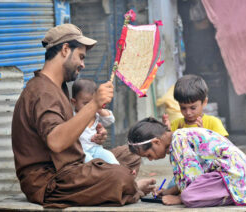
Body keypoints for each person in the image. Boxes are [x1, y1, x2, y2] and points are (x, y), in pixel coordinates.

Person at [11, 23, 155, 208]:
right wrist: (94, 103)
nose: (83, 64)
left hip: (74, 165)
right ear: (65, 50)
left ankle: (125, 187)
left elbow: (66, 133)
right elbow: (56, 141)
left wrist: (94, 137)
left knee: (131, 153)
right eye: (80, 57)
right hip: (50, 181)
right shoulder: (42, 91)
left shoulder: (58, 87)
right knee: (121, 176)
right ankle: (130, 187)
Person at [128, 117, 246, 207]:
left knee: (188, 196)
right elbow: (189, 175)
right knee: (175, 185)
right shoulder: (179, 137)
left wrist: (178, 198)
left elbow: (193, 178)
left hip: (232, 174)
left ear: (156, 142)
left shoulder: (179, 141)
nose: (151, 159)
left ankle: (232, 195)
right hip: (234, 172)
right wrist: (169, 191)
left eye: (148, 154)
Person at [162, 74, 228, 137]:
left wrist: (204, 133)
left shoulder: (213, 123)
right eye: (183, 108)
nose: (188, 112)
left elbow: (223, 144)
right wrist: (167, 131)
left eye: (193, 108)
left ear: (204, 102)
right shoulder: (176, 124)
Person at [71, 78, 119, 164]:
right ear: (74, 102)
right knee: (90, 162)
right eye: (86, 103)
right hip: (81, 151)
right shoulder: (72, 117)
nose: (90, 106)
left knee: (110, 157)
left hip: (97, 149)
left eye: (92, 102)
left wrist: (100, 110)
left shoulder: (95, 114)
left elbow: (111, 119)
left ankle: (119, 171)